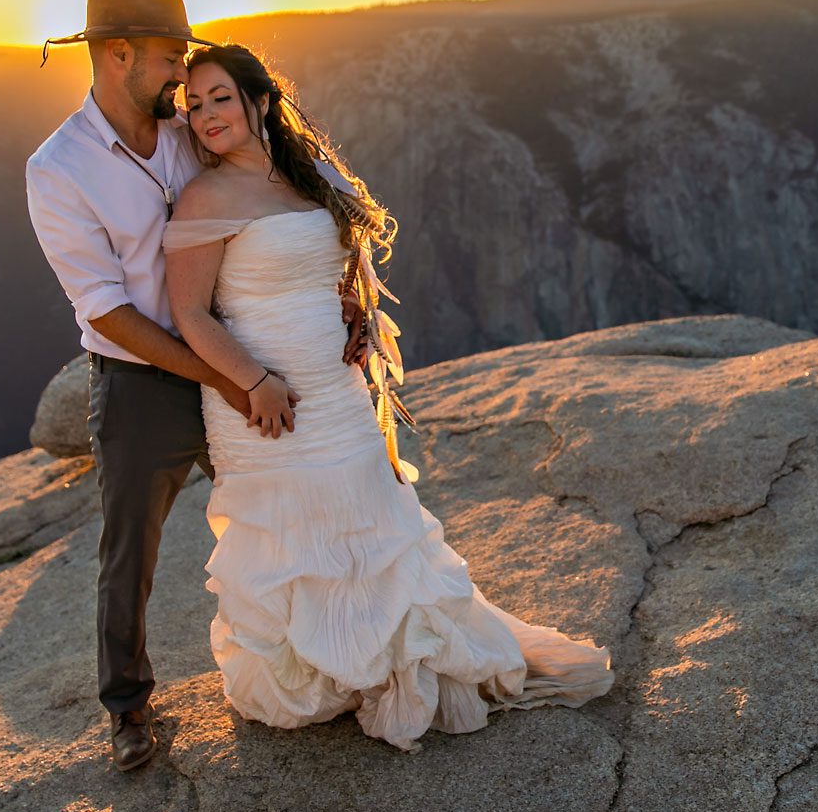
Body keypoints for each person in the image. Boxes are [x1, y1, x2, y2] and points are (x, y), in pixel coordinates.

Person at [160, 42, 614, 752]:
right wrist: (252, 381)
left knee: (370, 512)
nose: (207, 115)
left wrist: (356, 308)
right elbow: (190, 315)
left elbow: (337, 263)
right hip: (260, 397)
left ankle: (383, 654)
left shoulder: (308, 178)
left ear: (260, 99)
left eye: (220, 96)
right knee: (292, 533)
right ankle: (317, 670)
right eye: (193, 106)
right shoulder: (205, 196)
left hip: (332, 387)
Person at [26, 0, 351, 774]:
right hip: (144, 381)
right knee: (130, 545)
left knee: (282, 506)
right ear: (118, 54)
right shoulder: (59, 167)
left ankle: (321, 654)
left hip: (244, 358)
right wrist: (231, 376)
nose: (182, 69)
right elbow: (104, 308)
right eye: (171, 56)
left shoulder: (187, 132)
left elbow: (268, 198)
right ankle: (128, 707)